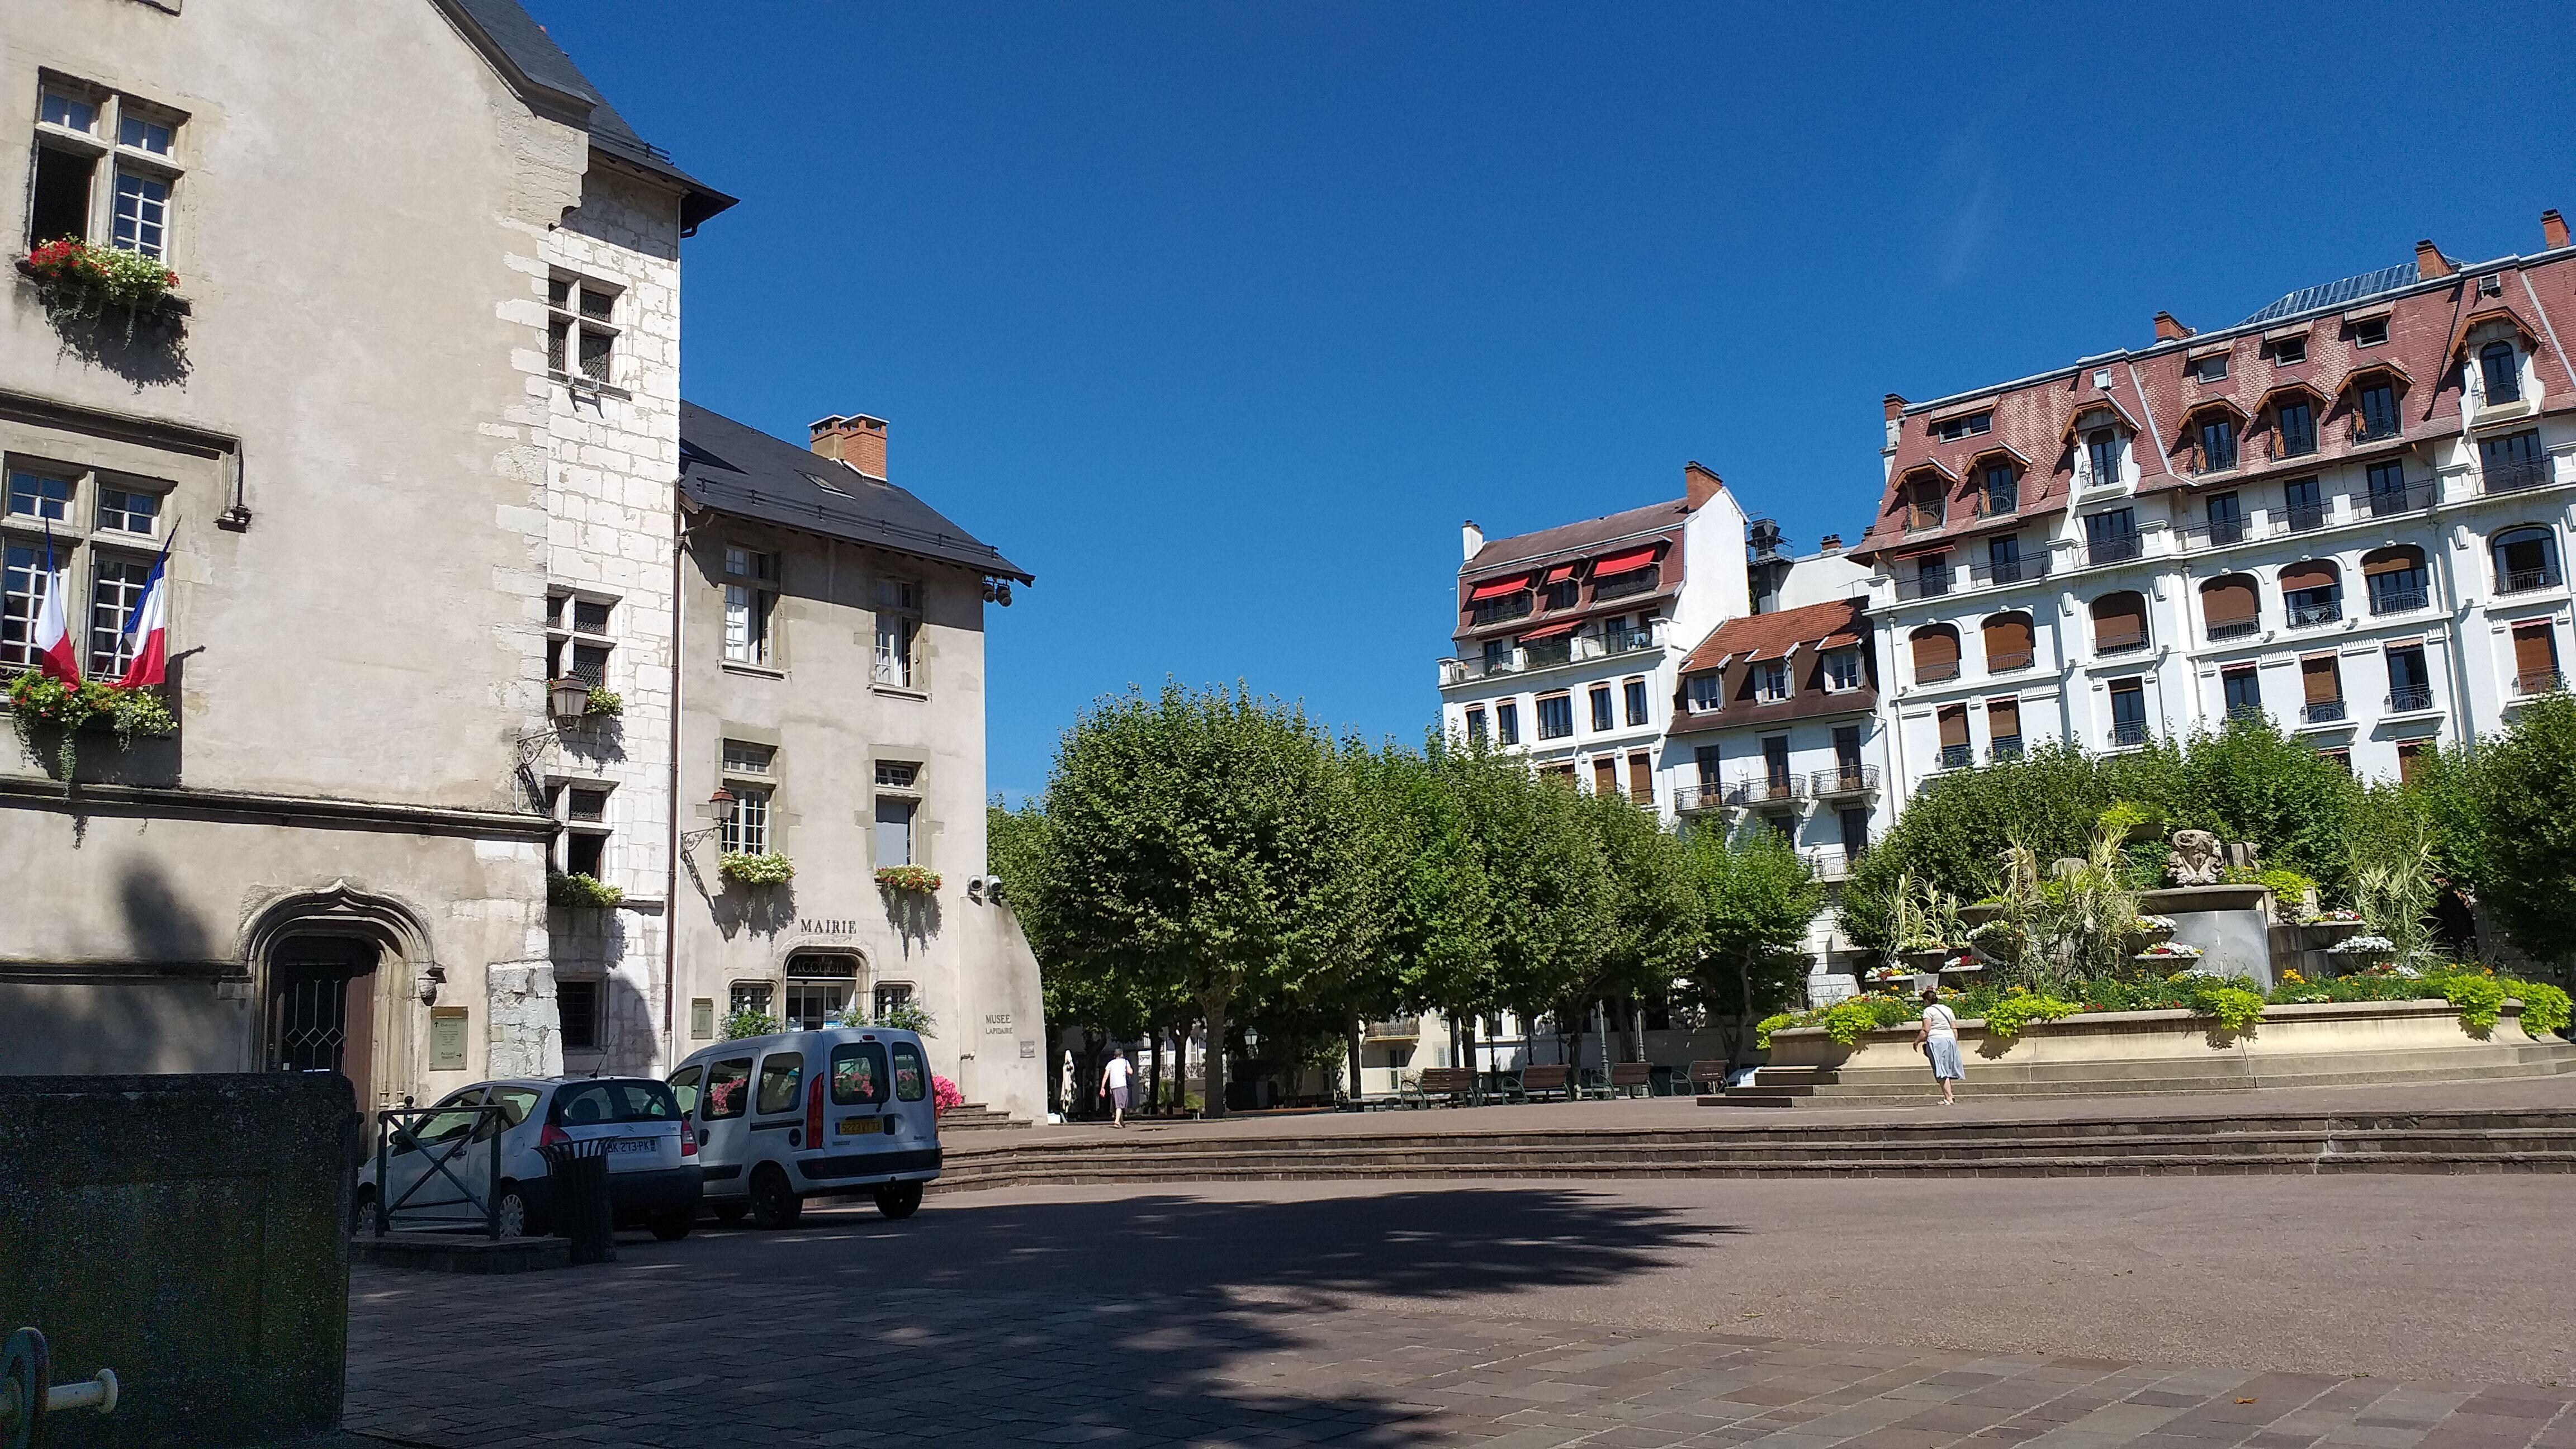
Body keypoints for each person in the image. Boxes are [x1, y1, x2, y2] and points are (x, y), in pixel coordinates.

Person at [1912, 985, 1964, 1106]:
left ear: (1926, 1000)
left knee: (1940, 1069)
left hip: (1936, 1041)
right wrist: (1954, 1043)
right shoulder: (1948, 1009)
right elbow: (1954, 1028)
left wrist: (1917, 1042)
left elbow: (1926, 1030)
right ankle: (1950, 1095)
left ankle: (1949, 1098)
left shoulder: (1928, 1011)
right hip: (1950, 1039)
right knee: (1946, 1068)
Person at [1098, 1046, 1133, 1128]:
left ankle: (1121, 1122)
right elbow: (1130, 1072)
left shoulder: (1110, 1063)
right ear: (1122, 1055)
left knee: (1117, 1104)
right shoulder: (1125, 1061)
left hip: (1113, 1087)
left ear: (1115, 1056)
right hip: (1122, 1085)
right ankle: (1117, 1122)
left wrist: (1102, 1088)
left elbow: (1105, 1076)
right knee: (1120, 1105)